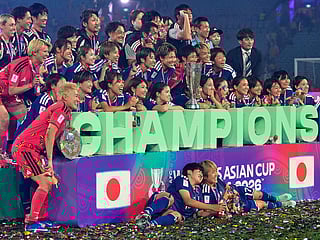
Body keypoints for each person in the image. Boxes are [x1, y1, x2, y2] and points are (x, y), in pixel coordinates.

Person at [12, 82, 80, 232]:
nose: (79, 99)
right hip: (26, 148)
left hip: (34, 150)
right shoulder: (61, 108)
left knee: (47, 182)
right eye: (75, 96)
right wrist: (49, 161)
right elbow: (50, 134)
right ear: (64, 97)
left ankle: (40, 219)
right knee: (45, 183)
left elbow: (56, 138)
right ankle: (31, 222)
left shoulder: (66, 112)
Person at [0, 39, 51, 155]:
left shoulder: (37, 67)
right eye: (45, 52)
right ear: (34, 53)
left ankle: (12, 150)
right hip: (4, 92)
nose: (47, 55)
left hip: (10, 96)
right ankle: (0, 154)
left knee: (26, 119)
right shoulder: (19, 65)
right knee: (4, 119)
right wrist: (31, 84)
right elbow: (11, 90)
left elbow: (33, 92)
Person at [135, 162, 226, 228]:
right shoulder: (183, 179)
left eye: (202, 173)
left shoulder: (198, 190)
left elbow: (199, 213)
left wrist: (216, 212)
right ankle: (145, 214)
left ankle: (148, 224)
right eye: (199, 172)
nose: (201, 174)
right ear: (189, 172)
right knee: (169, 197)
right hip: (158, 206)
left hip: (166, 214)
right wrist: (212, 207)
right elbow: (188, 201)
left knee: (178, 215)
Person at [200, 160, 296, 215]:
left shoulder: (218, 180)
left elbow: (227, 187)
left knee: (258, 194)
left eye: (216, 171)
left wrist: (231, 192)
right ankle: (282, 204)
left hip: (236, 191)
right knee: (261, 204)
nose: (216, 174)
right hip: (233, 205)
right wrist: (226, 199)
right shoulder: (205, 192)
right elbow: (213, 208)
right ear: (205, 177)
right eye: (213, 173)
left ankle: (276, 198)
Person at [14, 73, 66, 139]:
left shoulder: (57, 102)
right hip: (24, 138)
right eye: (62, 87)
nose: (64, 90)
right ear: (53, 86)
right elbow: (40, 125)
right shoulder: (44, 101)